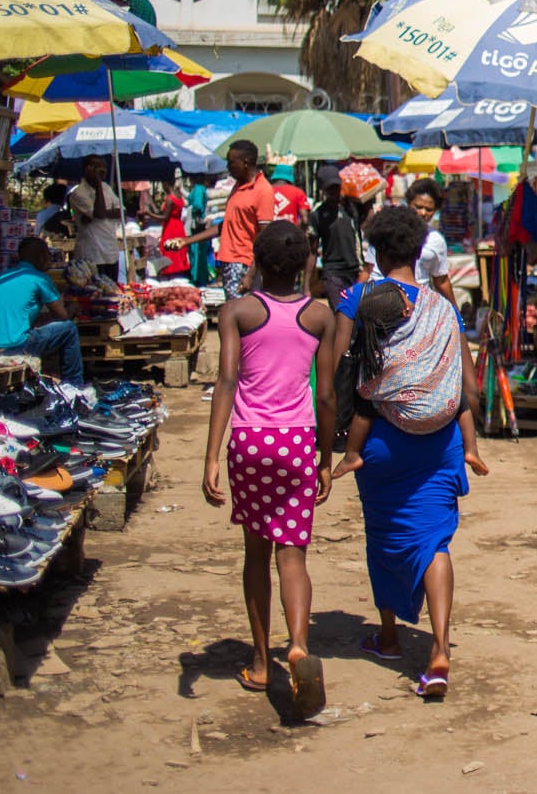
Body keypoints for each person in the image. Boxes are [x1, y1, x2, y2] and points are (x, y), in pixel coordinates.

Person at [318, 204, 481, 699]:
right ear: (418, 251)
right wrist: (468, 437)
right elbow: (468, 386)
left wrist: (335, 442)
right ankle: (440, 650)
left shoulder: (357, 297)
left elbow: (341, 369)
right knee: (434, 541)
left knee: (384, 536)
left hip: (382, 439)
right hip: (440, 441)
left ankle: (388, 636)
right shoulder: (443, 309)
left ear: (376, 250)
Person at [200, 221, 329, 720]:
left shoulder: (236, 311)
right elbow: (325, 394)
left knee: (256, 553)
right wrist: (323, 455)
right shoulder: (320, 315)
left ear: (255, 260)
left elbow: (227, 379)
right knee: (292, 558)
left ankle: (260, 663)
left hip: (250, 441)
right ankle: (298, 646)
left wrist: (212, 455)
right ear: (303, 264)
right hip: (297, 441)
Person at [330, 281, 487, 484]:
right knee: (461, 400)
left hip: (401, 421)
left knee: (365, 406)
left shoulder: (379, 351)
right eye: (406, 299)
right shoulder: (431, 325)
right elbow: (466, 383)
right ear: (405, 313)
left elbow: (365, 389)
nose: (411, 301)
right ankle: (472, 449)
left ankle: (352, 454)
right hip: (442, 414)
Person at [168, 141, 274, 299]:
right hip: (230, 261)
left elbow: (264, 238)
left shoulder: (262, 190)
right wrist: (186, 241)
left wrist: (250, 275)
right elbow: (226, 226)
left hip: (244, 264)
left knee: (242, 314)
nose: (228, 167)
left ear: (245, 163)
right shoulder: (238, 186)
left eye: (231, 162)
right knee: (235, 311)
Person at [0, 238, 83, 385]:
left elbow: (21, 316)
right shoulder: (39, 278)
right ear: (42, 257)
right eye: (48, 255)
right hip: (12, 346)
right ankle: (74, 385)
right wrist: (72, 308)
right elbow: (62, 316)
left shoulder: (3, 277)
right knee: (69, 329)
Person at [310, 163, 366, 446]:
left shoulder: (353, 208)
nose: (334, 192)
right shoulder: (318, 215)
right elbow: (313, 250)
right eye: (329, 188)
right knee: (342, 317)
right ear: (322, 189)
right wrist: (309, 284)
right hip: (332, 273)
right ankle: (338, 371)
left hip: (354, 270)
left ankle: (351, 368)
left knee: (356, 322)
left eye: (337, 187)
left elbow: (364, 232)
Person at [365, 178, 452, 303]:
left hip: (418, 301)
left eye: (429, 209)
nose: (423, 213)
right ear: (409, 203)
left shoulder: (436, 240)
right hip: (380, 296)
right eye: (418, 207)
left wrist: (457, 314)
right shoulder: (386, 229)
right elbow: (368, 269)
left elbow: (441, 280)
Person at [67, 154, 124, 271]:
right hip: (91, 254)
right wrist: (98, 186)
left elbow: (122, 212)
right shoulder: (78, 193)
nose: (103, 171)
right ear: (88, 169)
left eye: (104, 168)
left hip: (110, 252)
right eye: (99, 167)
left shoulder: (107, 188)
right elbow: (99, 214)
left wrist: (103, 213)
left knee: (113, 288)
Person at [157, 179, 192, 280]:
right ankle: (179, 275)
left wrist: (148, 213)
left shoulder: (170, 199)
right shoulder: (179, 196)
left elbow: (165, 217)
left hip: (170, 227)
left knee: (170, 251)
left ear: (166, 184)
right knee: (178, 250)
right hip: (178, 226)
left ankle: (172, 277)